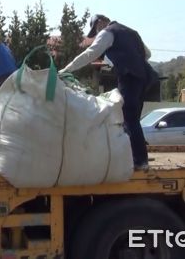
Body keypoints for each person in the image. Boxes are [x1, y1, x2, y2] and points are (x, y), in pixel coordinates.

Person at [59, 14, 158, 170]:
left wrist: (66, 69)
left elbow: (90, 53)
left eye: (96, 29)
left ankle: (140, 161)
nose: (97, 33)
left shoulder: (108, 32)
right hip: (144, 78)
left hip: (129, 77)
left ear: (100, 23)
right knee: (133, 118)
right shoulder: (131, 32)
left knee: (128, 117)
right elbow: (148, 54)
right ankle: (136, 157)